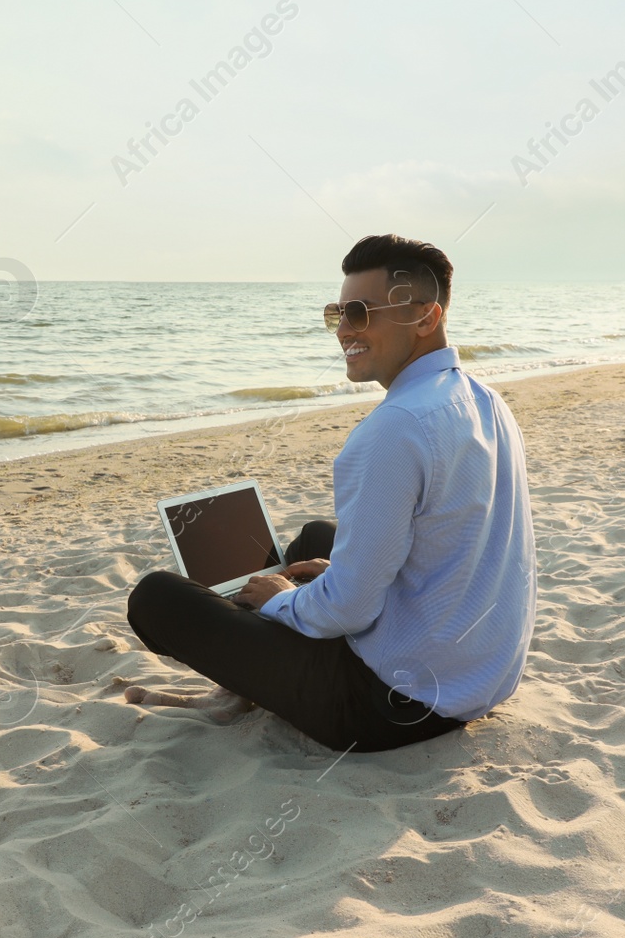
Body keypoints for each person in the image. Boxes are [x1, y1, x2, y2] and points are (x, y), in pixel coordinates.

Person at [125, 234, 536, 753]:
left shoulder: (395, 428)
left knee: (157, 598)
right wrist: (324, 585)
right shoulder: (485, 399)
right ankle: (252, 674)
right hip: (481, 674)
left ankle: (250, 677)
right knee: (313, 542)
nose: (343, 331)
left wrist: (283, 602)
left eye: (361, 313)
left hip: (394, 705)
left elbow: (348, 612)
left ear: (426, 319)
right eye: (336, 314)